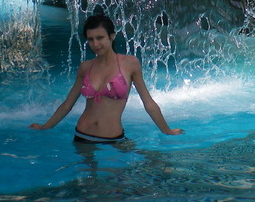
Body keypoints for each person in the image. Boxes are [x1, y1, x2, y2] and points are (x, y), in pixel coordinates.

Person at [30, 14, 184, 143]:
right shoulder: (86, 67)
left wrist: (167, 131)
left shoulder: (130, 64)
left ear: (111, 36)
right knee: (87, 179)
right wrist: (45, 127)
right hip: (82, 136)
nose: (95, 44)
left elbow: (148, 103)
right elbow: (67, 105)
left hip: (113, 139)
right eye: (90, 39)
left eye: (100, 37)